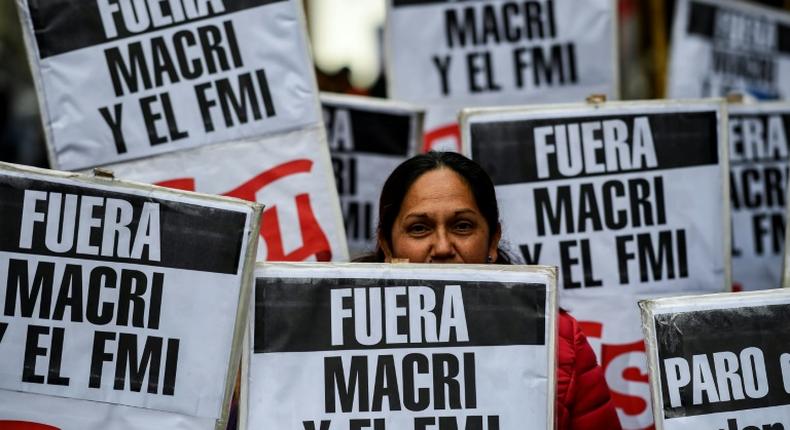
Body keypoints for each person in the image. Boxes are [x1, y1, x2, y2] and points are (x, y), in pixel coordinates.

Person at [358, 151, 623, 429]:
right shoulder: (329, 340)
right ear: (387, 246)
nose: (443, 247)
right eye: (419, 228)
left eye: (462, 226)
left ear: (493, 240)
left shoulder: (557, 340)